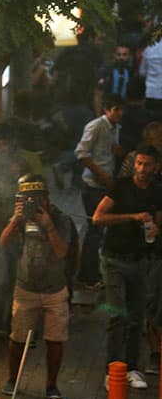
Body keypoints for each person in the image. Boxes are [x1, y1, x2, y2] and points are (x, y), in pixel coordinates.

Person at [91, 144, 162, 390]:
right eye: (139, 163)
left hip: (140, 260)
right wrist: (131, 217)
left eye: (147, 165)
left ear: (156, 167)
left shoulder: (156, 191)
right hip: (114, 258)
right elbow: (98, 217)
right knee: (117, 313)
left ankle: (132, 367)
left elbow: (158, 224)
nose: (142, 169)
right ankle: (112, 369)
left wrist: (154, 228)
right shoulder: (120, 187)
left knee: (136, 317)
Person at [0, 175, 72, 399]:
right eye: (25, 198)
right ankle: (12, 378)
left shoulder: (60, 219)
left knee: (55, 339)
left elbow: (62, 252)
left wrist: (49, 227)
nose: (31, 203)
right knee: (18, 337)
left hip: (54, 288)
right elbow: (3, 242)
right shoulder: (20, 219)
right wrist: (14, 219)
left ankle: (51, 384)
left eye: (35, 198)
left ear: (45, 199)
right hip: (26, 287)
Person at [0, 126, 42, 345]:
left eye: (7, 143)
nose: (3, 148)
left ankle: (17, 327)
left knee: (22, 279)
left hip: (26, 233)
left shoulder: (30, 160)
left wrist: (23, 174)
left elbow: (41, 195)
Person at [74, 93, 125, 288]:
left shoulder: (115, 128)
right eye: (115, 110)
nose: (119, 113)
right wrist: (101, 174)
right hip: (93, 186)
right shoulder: (96, 126)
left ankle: (95, 272)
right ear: (106, 109)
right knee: (94, 230)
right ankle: (87, 276)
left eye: (121, 110)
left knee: (101, 230)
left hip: (106, 185)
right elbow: (81, 153)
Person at [93, 44, 134, 116]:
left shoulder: (131, 72)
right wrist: (98, 115)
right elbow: (98, 94)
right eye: (119, 54)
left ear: (129, 56)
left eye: (124, 55)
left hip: (124, 110)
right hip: (107, 110)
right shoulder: (106, 70)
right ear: (114, 55)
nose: (121, 57)